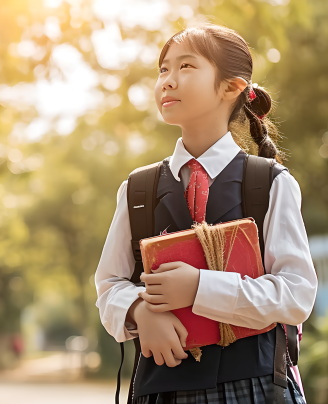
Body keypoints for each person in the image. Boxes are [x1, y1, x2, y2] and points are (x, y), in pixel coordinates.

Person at [95, 23, 317, 404]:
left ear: (231, 86)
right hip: (160, 389)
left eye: (186, 67)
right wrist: (138, 312)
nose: (168, 80)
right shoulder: (138, 189)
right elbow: (109, 285)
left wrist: (199, 287)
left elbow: (296, 295)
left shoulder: (269, 182)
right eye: (163, 69)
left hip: (255, 387)